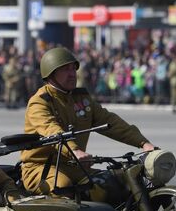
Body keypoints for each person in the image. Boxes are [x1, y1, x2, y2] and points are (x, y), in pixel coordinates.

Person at [20, 47, 155, 195]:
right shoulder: (40, 102)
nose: (72, 74)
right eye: (65, 69)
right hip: (41, 168)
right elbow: (51, 130)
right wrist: (75, 151)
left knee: (115, 183)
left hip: (76, 167)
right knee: (63, 186)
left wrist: (143, 143)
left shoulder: (81, 99)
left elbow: (109, 122)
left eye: (73, 69)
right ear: (51, 74)